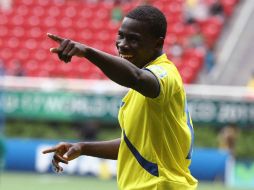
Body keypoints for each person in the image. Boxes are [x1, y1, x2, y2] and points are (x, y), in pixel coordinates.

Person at [42, 5, 198, 189]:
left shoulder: (166, 74)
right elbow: (134, 145)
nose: (122, 44)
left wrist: (87, 52)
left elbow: (136, 77)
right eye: (121, 36)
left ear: (157, 43)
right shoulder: (140, 91)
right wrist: (83, 148)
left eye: (133, 39)